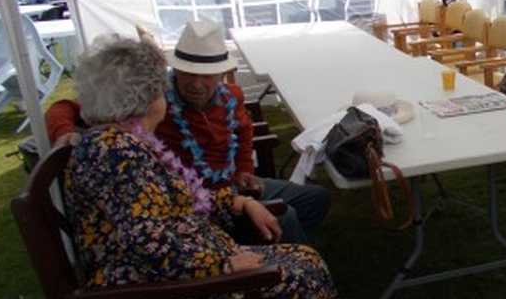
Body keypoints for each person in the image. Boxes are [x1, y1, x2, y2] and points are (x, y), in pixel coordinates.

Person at [64, 36, 375, 299]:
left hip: (174, 281)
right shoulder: (116, 154)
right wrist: (221, 264)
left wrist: (240, 202)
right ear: (147, 98)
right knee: (293, 280)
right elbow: (145, 242)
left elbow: (180, 201)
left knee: (307, 263)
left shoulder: (123, 143)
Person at [46, 19, 329, 245]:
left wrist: (244, 170)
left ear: (221, 75)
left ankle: (276, 247)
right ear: (175, 70)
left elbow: (244, 133)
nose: (196, 83)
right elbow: (63, 106)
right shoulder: (146, 98)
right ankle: (280, 261)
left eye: (206, 75)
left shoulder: (231, 96)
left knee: (316, 198)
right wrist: (64, 131)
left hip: (230, 187)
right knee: (287, 216)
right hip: (192, 200)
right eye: (187, 73)